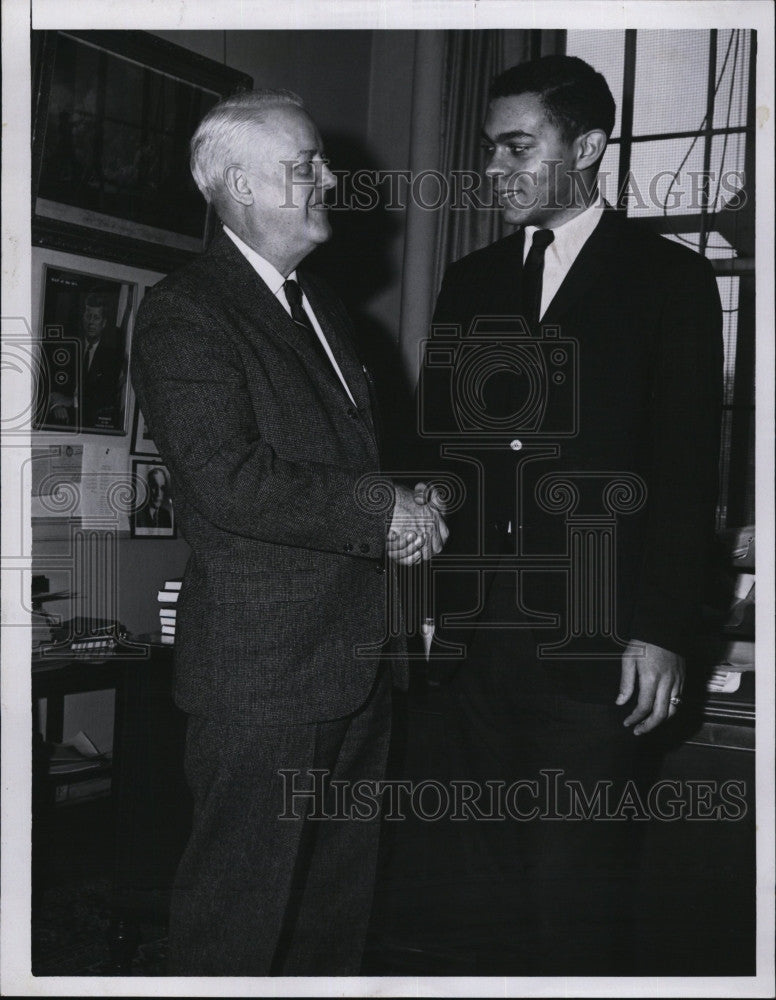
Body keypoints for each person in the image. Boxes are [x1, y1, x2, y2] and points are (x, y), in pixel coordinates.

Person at [131, 89, 447, 976]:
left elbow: (336, 464)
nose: (330, 178)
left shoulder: (321, 309)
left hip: (353, 660)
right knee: (238, 921)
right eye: (305, 164)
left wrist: (407, 499)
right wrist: (383, 510)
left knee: (330, 919)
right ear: (238, 184)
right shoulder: (187, 311)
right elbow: (229, 480)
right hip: (262, 679)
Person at [420, 55, 723, 974]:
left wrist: (663, 629)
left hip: (598, 653)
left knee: (573, 902)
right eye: (488, 151)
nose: (495, 170)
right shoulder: (471, 282)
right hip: (475, 651)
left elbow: (682, 470)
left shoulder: (669, 282)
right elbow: (449, 461)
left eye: (519, 146)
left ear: (588, 146)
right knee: (478, 898)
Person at [46, 291, 124, 430]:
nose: (91, 322)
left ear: (104, 323)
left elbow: (103, 400)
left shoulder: (111, 358)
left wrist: (71, 401)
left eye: (96, 317)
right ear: (83, 317)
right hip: (62, 418)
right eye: (88, 316)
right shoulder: (68, 348)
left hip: (92, 424)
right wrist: (56, 405)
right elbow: (52, 384)